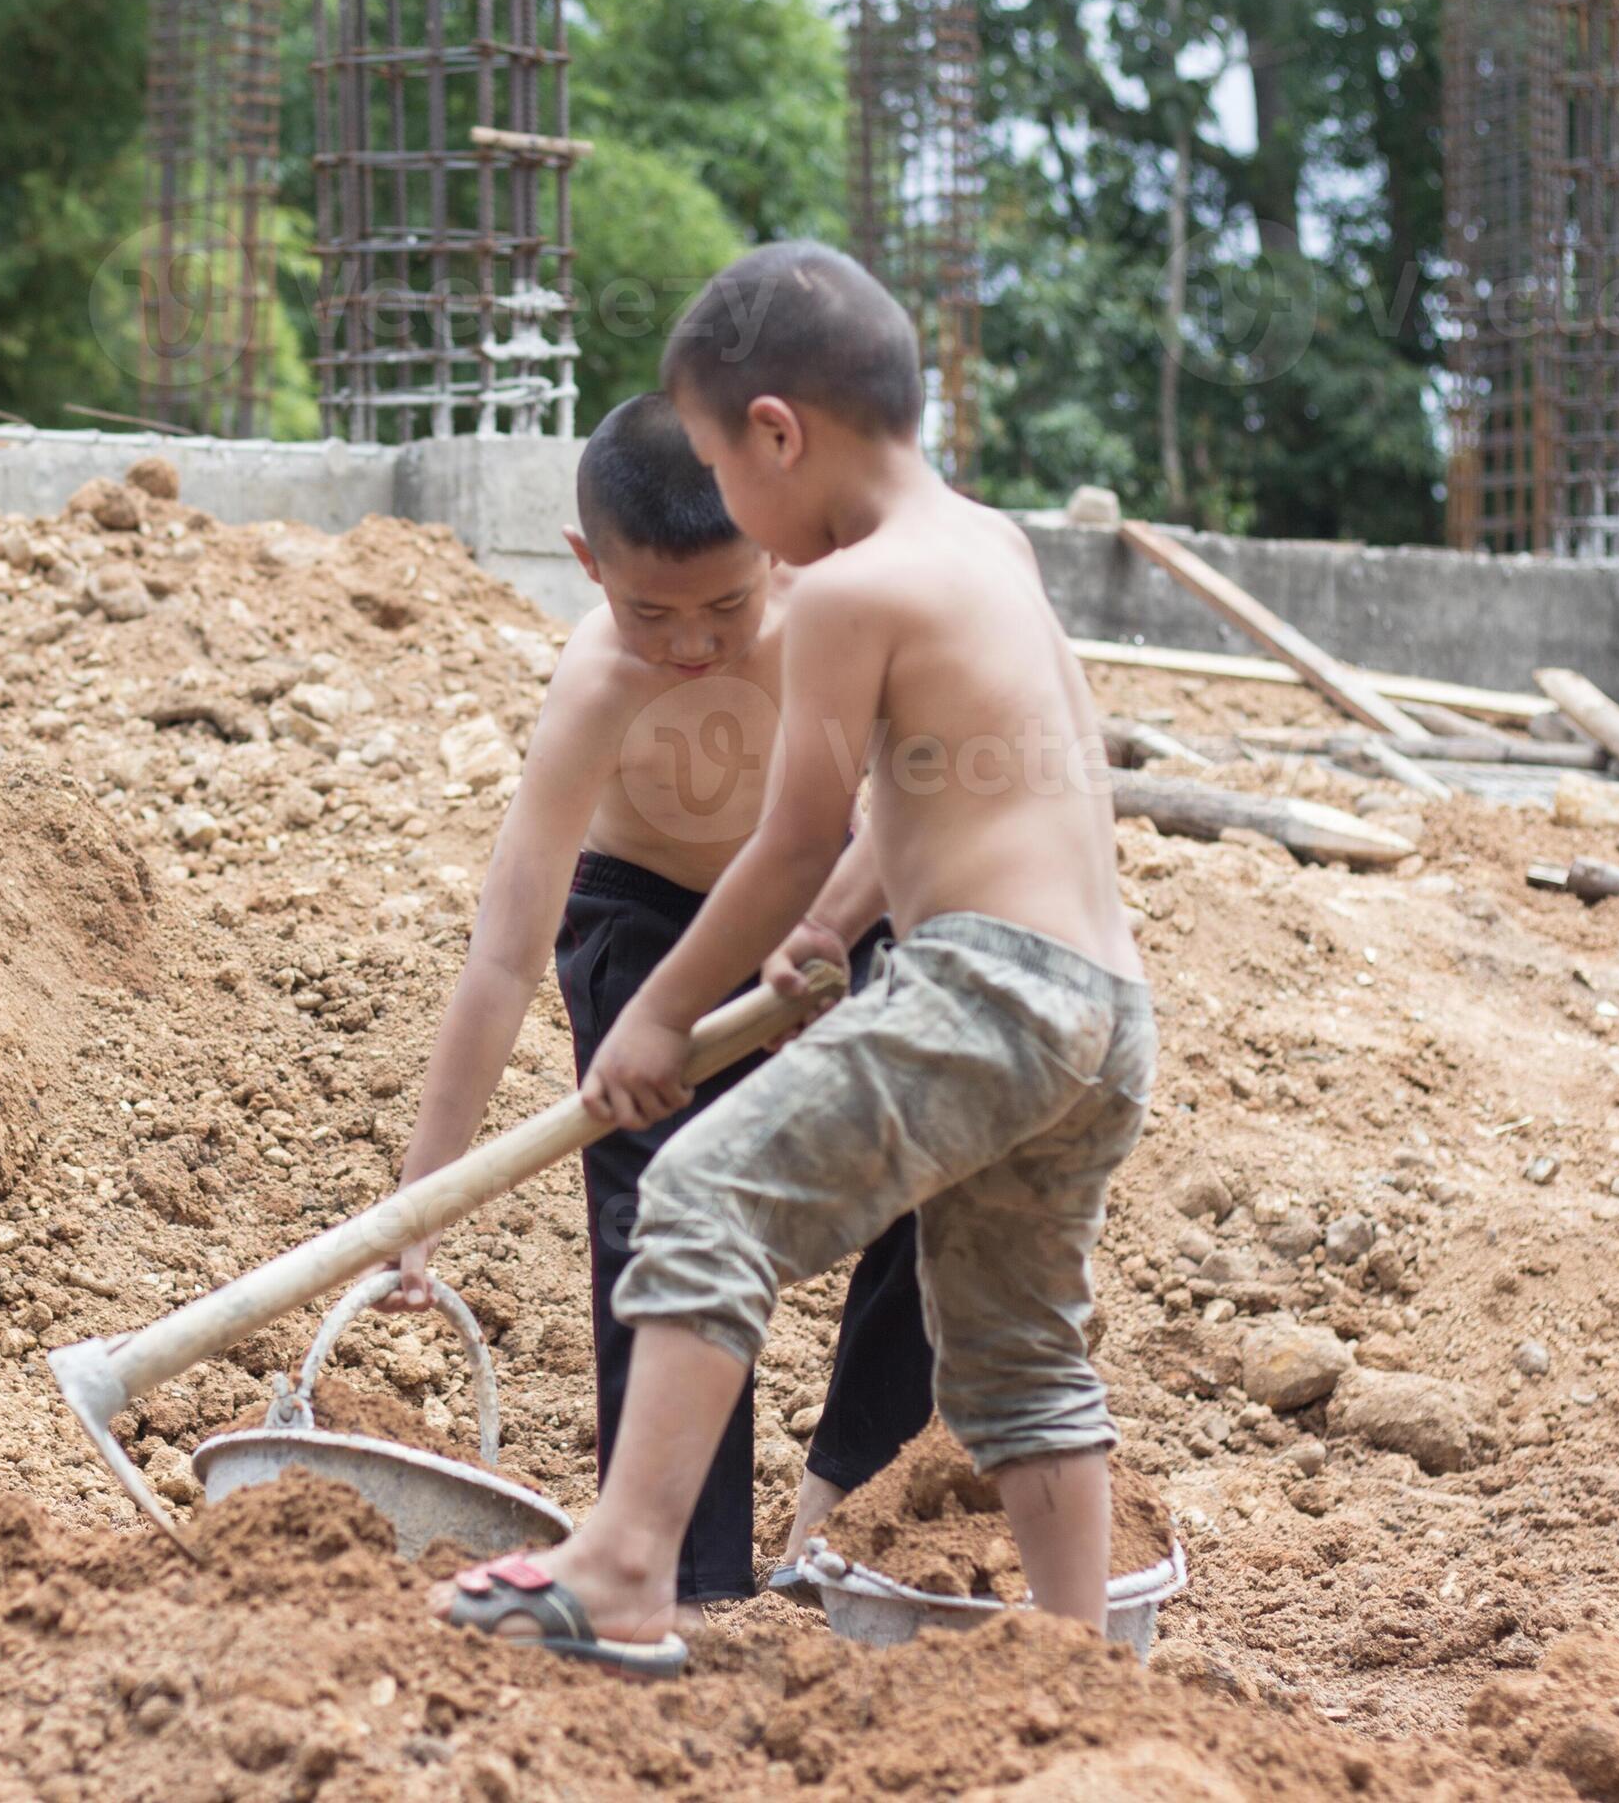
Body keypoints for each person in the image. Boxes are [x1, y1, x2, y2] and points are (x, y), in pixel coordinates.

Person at [435, 242, 1153, 1676]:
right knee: (1016, 1352)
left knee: (697, 1195)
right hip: (1100, 1010)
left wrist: (657, 1014)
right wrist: (835, 926)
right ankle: (1083, 1663)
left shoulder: (840, 592)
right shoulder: (987, 546)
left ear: (777, 434)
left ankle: (629, 1564)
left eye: (725, 467)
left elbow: (787, 839)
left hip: (985, 989)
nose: (736, 515)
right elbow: (955, 789)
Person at [386, 389, 935, 1614]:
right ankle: (688, 1582)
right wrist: (424, 1197)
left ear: (772, 542)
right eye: (652, 614)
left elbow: (912, 805)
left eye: (725, 606)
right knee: (659, 1215)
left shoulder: (830, 620)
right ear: (588, 567)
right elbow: (504, 954)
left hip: (833, 904)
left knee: (943, 1153)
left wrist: (821, 930)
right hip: (646, 926)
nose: (692, 646)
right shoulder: (593, 692)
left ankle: (846, 1519)